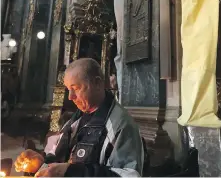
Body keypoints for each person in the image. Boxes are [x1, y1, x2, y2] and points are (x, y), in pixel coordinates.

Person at [15, 58, 144, 177]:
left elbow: (129, 175)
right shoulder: (74, 120)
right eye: (68, 90)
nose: (70, 97)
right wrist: (40, 163)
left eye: (75, 88)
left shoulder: (120, 125)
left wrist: (71, 171)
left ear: (97, 83)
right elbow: (58, 160)